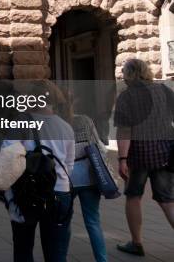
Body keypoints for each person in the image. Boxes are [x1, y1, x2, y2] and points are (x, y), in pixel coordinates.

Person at [2, 80, 75, 262]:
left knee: (23, 249)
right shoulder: (66, 127)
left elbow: (7, 159)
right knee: (57, 253)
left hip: (28, 194)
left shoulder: (22, 121)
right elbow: (69, 164)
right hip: (60, 193)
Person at [114, 59, 174, 257]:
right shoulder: (164, 91)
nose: (122, 75)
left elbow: (124, 129)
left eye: (124, 72)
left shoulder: (126, 96)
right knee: (167, 199)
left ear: (130, 74)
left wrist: (122, 158)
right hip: (165, 152)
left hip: (138, 155)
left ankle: (137, 243)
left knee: (133, 196)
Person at [60, 92, 108, 262]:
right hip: (89, 175)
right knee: (93, 221)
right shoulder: (85, 120)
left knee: (63, 222)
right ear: (75, 102)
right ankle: (102, 260)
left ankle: (61, 258)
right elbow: (97, 147)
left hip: (66, 179)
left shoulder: (57, 124)